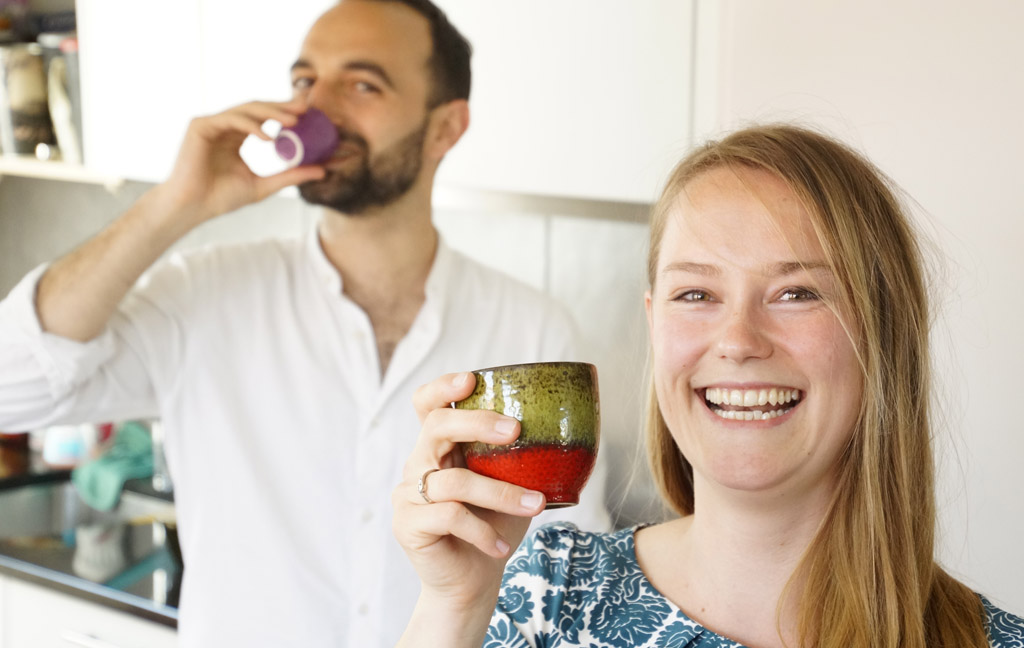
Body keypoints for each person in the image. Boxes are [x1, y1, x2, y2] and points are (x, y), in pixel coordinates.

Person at [0, 1, 608, 646]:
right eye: (303, 82)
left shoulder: (530, 330)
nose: (315, 109)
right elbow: (12, 386)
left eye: (362, 84)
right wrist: (173, 205)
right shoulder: (201, 293)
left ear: (444, 128)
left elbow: (564, 569)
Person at [392, 124, 1024, 647]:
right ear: (654, 322)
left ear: (884, 334)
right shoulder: (548, 594)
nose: (738, 339)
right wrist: (453, 608)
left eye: (797, 293)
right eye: (696, 293)